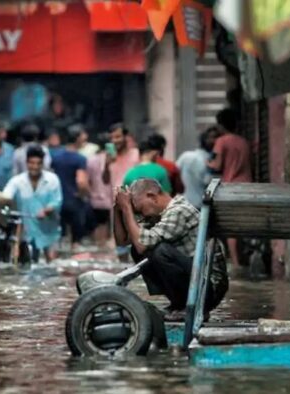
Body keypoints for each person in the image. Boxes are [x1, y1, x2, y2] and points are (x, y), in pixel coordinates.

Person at [114, 178, 228, 320]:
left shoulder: (179, 211)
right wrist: (118, 210)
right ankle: (179, 304)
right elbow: (123, 241)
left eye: (141, 209)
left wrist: (126, 208)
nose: (142, 215)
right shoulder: (160, 215)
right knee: (139, 250)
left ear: (152, 197)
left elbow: (142, 244)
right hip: (198, 281)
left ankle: (189, 307)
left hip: (209, 288)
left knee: (160, 251)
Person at [0, 146, 63, 262]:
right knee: (20, 259)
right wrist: (0, 202)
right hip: (26, 229)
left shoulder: (52, 180)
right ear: (27, 163)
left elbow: (57, 201)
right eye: (32, 163)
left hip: (48, 229)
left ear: (42, 164)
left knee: (51, 262)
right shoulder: (17, 181)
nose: (35, 167)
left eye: (38, 163)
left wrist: (46, 210)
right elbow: (6, 195)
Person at [208, 108, 252, 267]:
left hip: (231, 187)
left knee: (231, 227)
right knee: (246, 224)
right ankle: (246, 258)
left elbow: (217, 165)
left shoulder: (222, 141)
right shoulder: (243, 141)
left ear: (220, 125)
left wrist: (208, 163)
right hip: (248, 186)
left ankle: (236, 263)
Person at [104, 123, 141, 261]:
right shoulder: (109, 157)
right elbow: (105, 180)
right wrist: (106, 164)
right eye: (112, 138)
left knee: (137, 242)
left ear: (126, 137)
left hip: (135, 205)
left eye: (118, 136)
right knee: (120, 244)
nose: (115, 140)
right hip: (116, 205)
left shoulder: (136, 154)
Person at [51, 125, 90, 249]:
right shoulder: (80, 159)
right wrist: (85, 194)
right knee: (76, 243)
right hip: (74, 201)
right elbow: (81, 182)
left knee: (59, 240)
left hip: (57, 202)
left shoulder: (55, 156)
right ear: (77, 138)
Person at [176, 127, 218, 208]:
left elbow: (175, 173)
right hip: (200, 205)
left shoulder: (185, 156)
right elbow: (207, 182)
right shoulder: (209, 161)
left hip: (182, 203)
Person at [86, 138, 114, 247]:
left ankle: (97, 247)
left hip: (95, 198)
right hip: (108, 198)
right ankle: (103, 247)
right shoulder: (111, 159)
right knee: (105, 224)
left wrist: (90, 193)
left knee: (97, 224)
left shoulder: (91, 160)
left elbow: (88, 179)